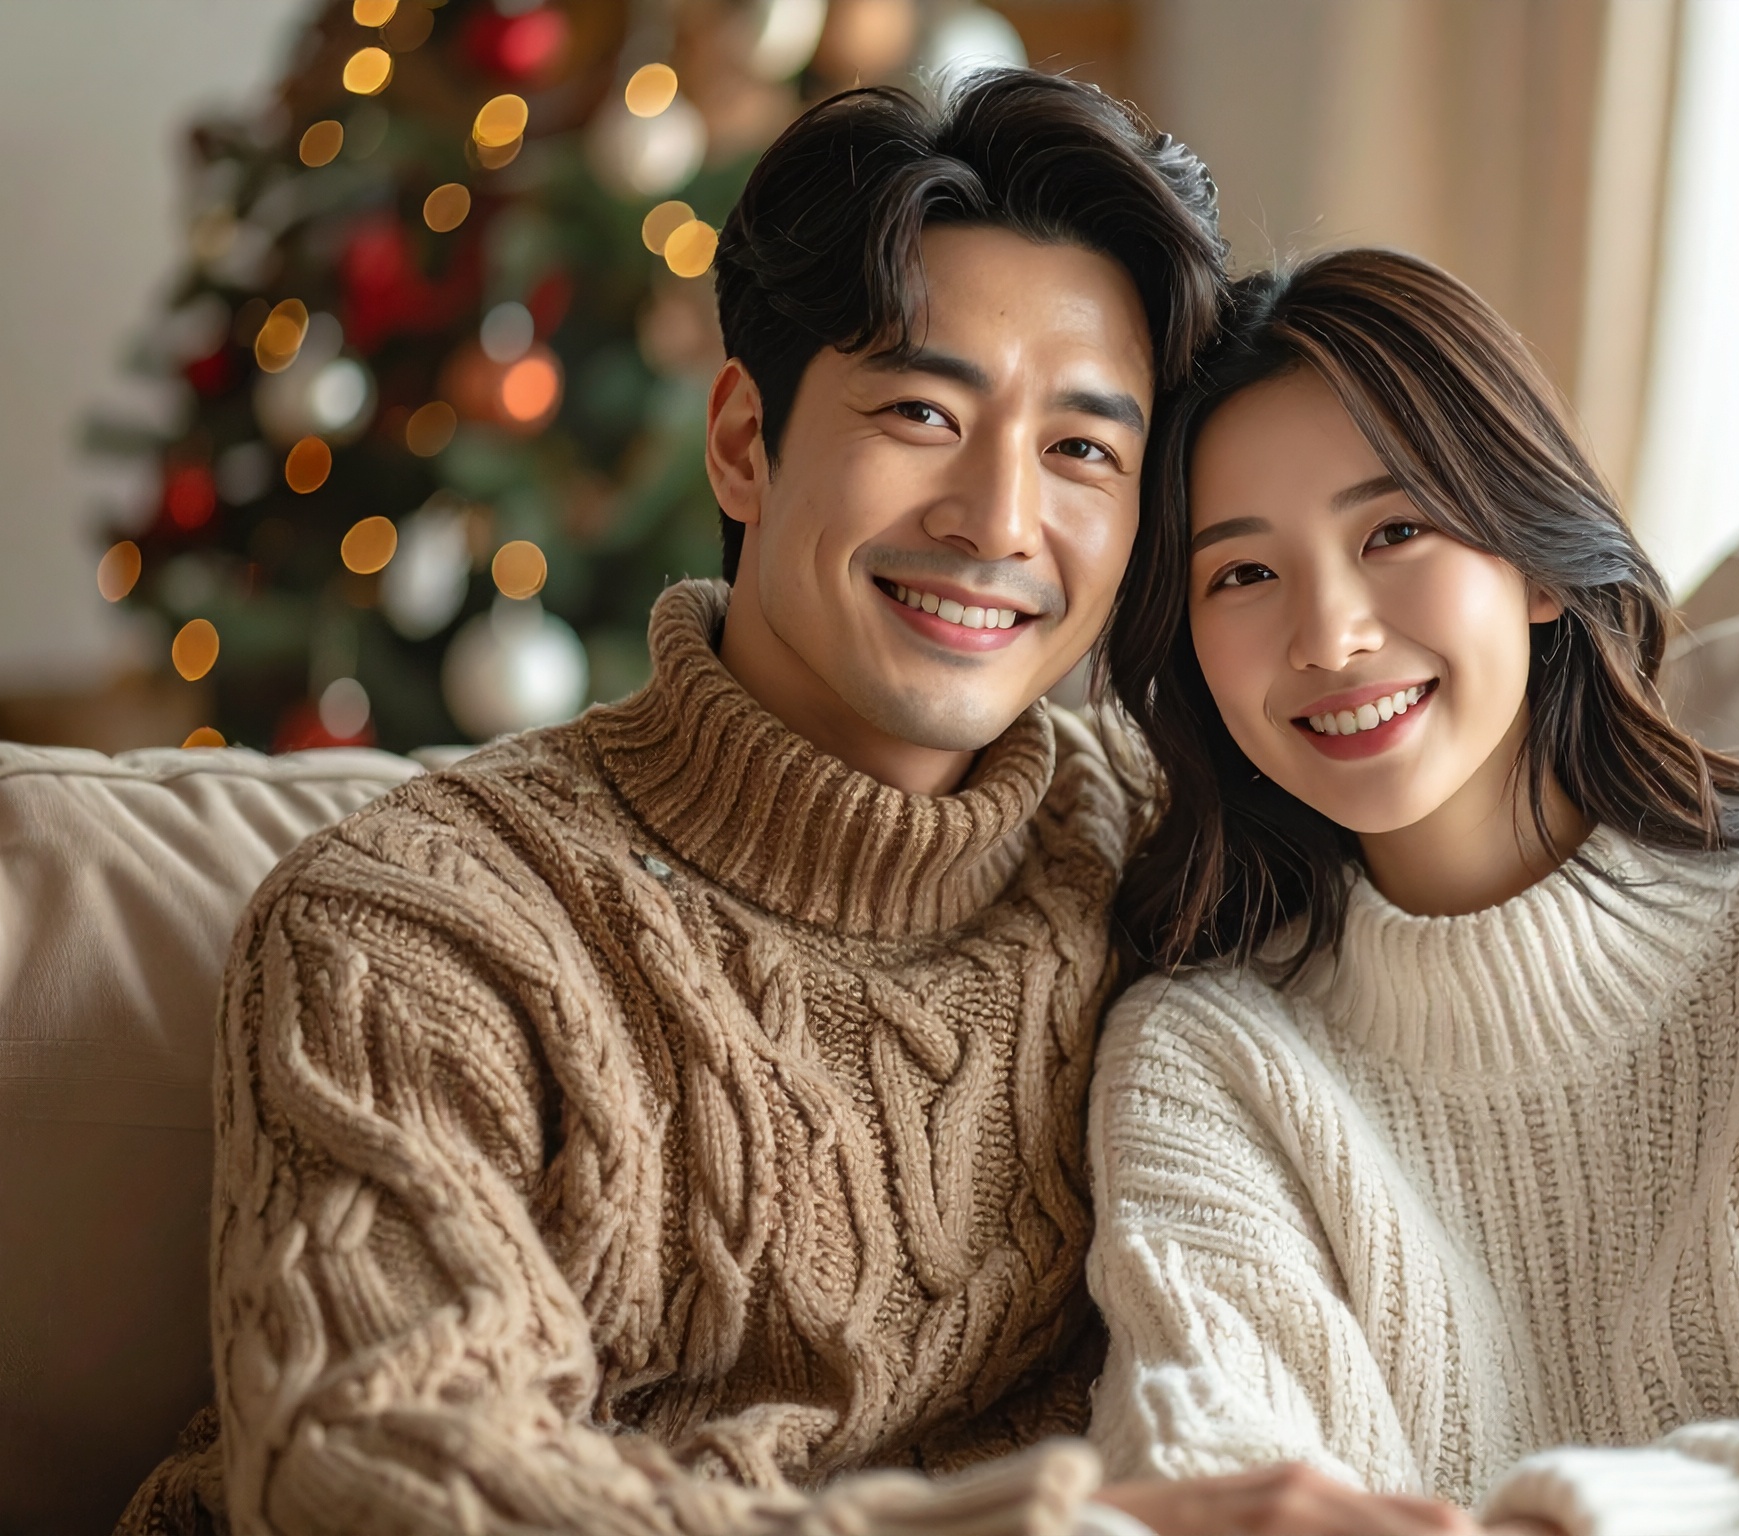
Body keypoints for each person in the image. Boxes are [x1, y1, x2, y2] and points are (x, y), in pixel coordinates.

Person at [120, 71, 1230, 1536]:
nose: (1000, 521)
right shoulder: (419, 928)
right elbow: (377, 1466)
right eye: (918, 409)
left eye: (1084, 450)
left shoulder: (1164, 852)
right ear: (742, 444)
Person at [1084, 249, 1739, 1536]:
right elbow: (1211, 1462)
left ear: (1537, 563)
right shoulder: (1205, 1058)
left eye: (1394, 531)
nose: (1329, 632)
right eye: (1241, 574)